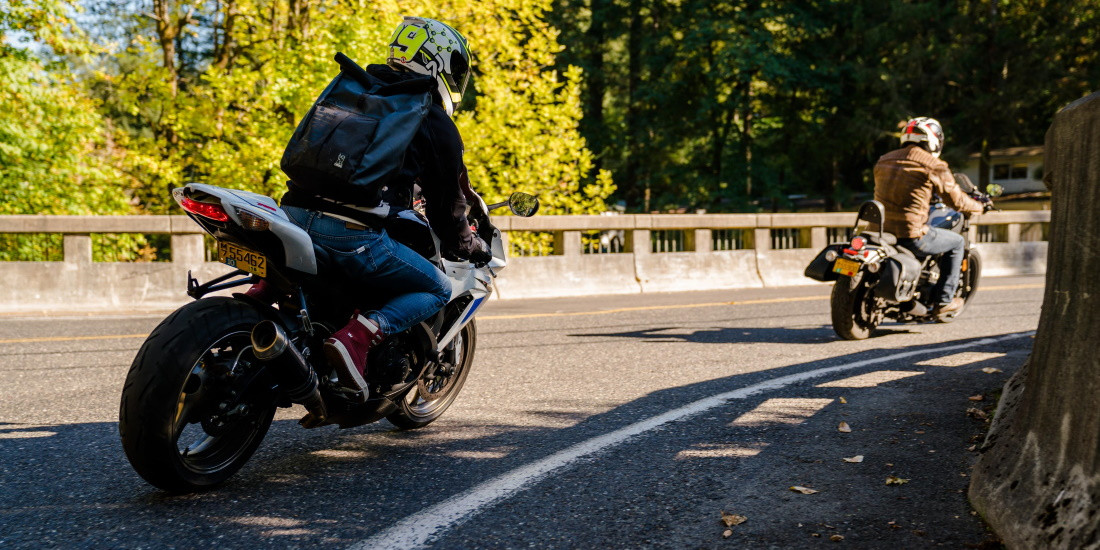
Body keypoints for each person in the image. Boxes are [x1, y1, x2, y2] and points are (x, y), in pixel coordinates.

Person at [270, 16, 491, 397]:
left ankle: (265, 297)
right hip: (348, 233)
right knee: (437, 287)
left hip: (290, 213)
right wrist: (471, 246)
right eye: (455, 70)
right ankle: (356, 338)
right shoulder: (430, 118)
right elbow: (448, 211)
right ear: (438, 64)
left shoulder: (356, 89)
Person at [873, 117, 986, 314]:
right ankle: (944, 301)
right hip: (910, 234)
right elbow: (957, 201)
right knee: (957, 242)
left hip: (879, 231)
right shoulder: (933, 164)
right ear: (934, 139)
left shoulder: (884, 159)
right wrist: (979, 207)